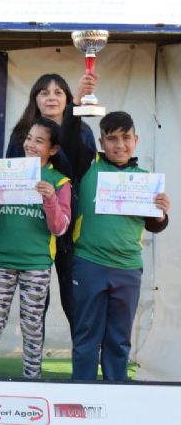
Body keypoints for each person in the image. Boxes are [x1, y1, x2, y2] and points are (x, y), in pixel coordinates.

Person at [61, 106, 170, 381]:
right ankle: (82, 396)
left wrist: (161, 213)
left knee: (119, 340)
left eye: (126, 138)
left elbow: (153, 224)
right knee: (86, 336)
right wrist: (78, 103)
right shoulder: (88, 166)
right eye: (112, 139)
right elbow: (69, 136)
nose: (119, 145)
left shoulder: (146, 179)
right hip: (89, 265)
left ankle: (115, 396)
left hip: (128, 268)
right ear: (101, 143)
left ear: (136, 140)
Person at [0, 117, 71, 379]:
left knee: (31, 326)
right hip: (2, 260)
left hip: (36, 264)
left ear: (52, 149)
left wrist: (50, 199)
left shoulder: (59, 182)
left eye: (39, 140)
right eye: (29, 138)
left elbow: (60, 228)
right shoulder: (8, 173)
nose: (30, 144)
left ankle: (32, 381)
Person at [6, 73, 96, 337]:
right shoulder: (20, 135)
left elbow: (82, 170)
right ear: (35, 99)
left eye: (58, 92)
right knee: (36, 305)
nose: (51, 97)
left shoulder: (84, 132)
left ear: (68, 99)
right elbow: (8, 180)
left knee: (74, 300)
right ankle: (33, 369)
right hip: (31, 229)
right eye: (44, 92)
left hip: (70, 230)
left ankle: (84, 370)